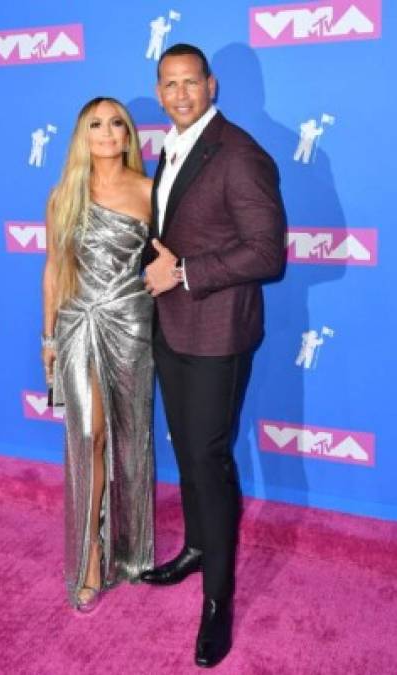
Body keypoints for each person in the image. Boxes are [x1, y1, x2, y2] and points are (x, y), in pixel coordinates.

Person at [141, 44, 285, 667]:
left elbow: (267, 253)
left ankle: (219, 603)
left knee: (208, 457)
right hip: (171, 330)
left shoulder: (241, 154)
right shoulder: (169, 148)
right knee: (188, 452)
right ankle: (197, 546)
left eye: (189, 83)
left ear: (211, 84)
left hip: (218, 333)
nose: (178, 94)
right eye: (168, 84)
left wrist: (187, 274)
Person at [42, 97, 154, 612]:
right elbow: (54, 270)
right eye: (95, 124)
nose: (107, 132)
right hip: (77, 324)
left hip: (130, 325)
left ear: (128, 134)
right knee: (87, 436)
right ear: (81, 135)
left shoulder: (152, 191)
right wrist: (48, 338)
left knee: (126, 435)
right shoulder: (64, 194)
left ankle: (130, 551)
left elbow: (173, 250)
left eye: (116, 123)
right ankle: (89, 558)